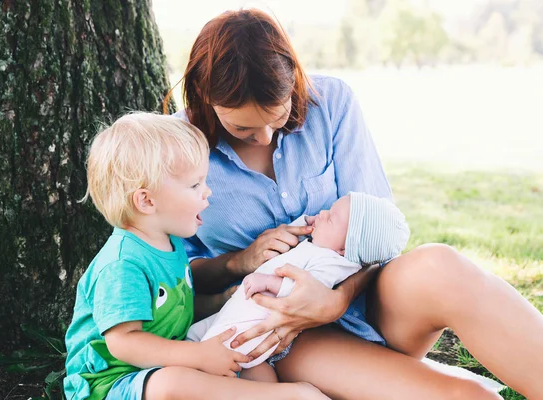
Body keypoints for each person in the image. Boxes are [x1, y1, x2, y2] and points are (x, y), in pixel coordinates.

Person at [167, 8, 543, 399]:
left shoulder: (329, 103)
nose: (263, 138)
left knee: (440, 265)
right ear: (206, 97)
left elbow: (378, 227)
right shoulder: (176, 149)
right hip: (286, 332)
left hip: (370, 297)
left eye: (276, 119)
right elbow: (176, 282)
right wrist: (240, 261)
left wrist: (334, 300)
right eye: (242, 128)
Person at [62, 112, 330, 400]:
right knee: (172, 385)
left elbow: (176, 306)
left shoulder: (170, 244)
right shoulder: (123, 264)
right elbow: (124, 344)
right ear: (147, 201)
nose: (207, 192)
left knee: (253, 367)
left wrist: (220, 301)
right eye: (194, 185)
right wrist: (200, 355)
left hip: (168, 360)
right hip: (111, 383)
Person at [188, 192, 409, 378]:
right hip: (237, 310)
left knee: (218, 347)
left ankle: (202, 377)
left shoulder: (332, 263)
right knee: (196, 335)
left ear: (345, 249)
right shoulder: (322, 245)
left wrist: (270, 282)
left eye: (330, 218)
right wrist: (307, 223)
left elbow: (302, 292)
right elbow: (302, 233)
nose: (322, 213)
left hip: (255, 323)